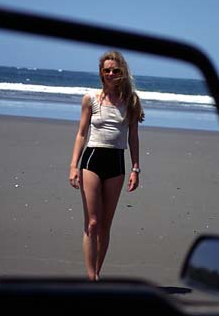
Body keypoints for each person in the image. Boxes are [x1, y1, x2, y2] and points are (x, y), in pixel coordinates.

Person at [69, 50, 145, 281]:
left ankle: (97, 274)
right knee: (92, 223)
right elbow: (82, 133)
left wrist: (135, 168)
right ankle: (91, 278)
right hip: (92, 160)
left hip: (116, 163)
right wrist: (73, 165)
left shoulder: (131, 101)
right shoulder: (90, 99)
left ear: (122, 73)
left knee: (105, 225)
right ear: (101, 73)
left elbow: (133, 137)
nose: (111, 74)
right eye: (107, 70)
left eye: (115, 70)